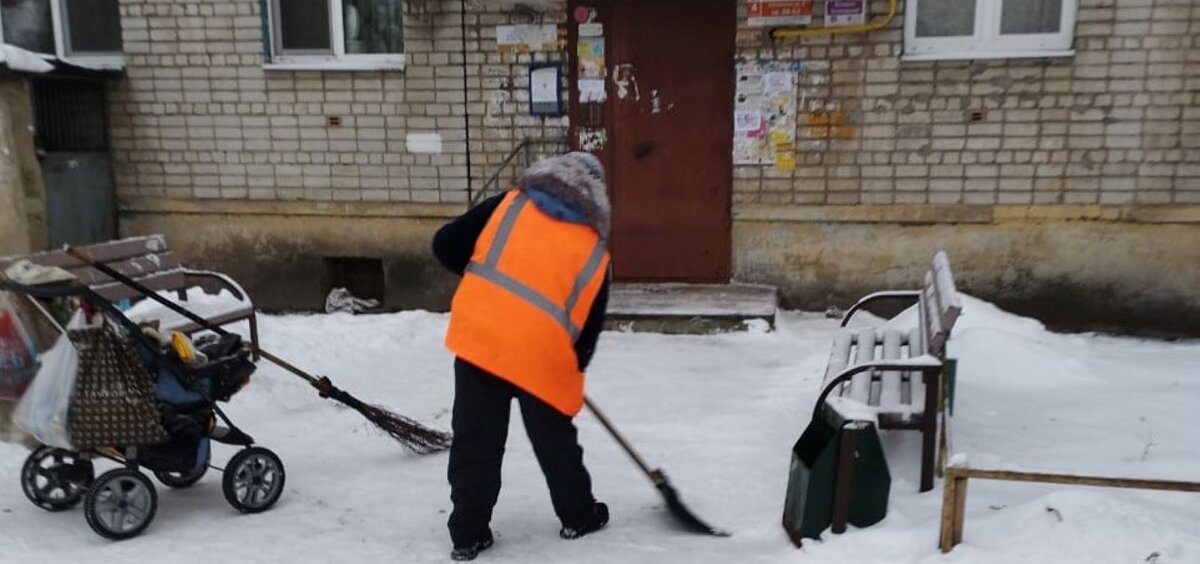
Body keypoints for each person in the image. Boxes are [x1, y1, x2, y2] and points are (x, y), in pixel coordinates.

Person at [433, 152, 613, 561]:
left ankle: (467, 534)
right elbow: (588, 330)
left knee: (476, 438)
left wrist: (488, 289)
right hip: (542, 352)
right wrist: (571, 368)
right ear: (596, 195)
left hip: (481, 335)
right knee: (555, 440)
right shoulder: (594, 249)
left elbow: (445, 244)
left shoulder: (509, 203)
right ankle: (578, 515)